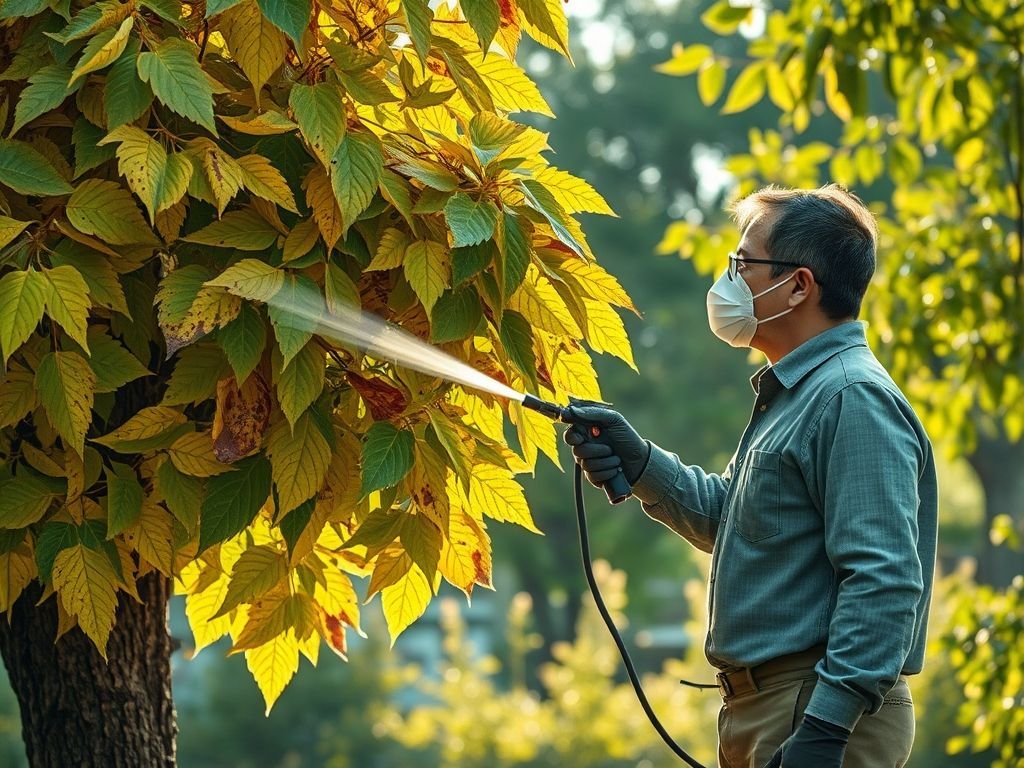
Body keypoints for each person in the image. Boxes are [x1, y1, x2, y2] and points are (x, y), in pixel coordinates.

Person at [564, 184, 937, 768]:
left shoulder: (853, 399)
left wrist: (824, 731)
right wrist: (641, 462)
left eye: (743, 264)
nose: (729, 280)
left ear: (797, 285)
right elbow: (736, 520)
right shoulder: (799, 396)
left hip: (814, 712)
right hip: (769, 711)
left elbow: (884, 580)